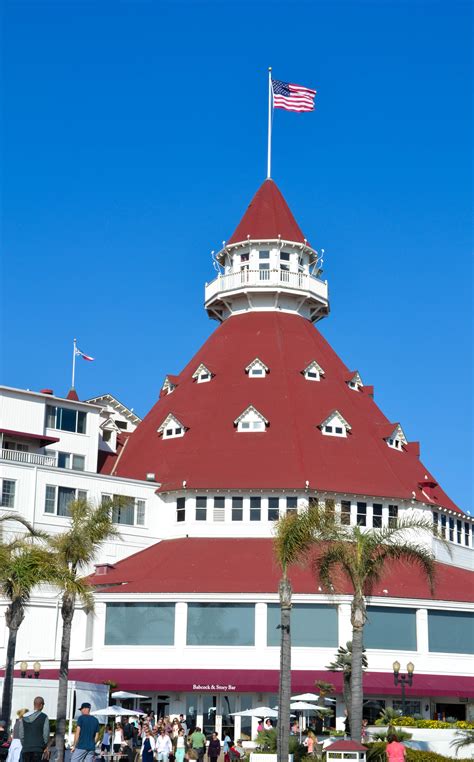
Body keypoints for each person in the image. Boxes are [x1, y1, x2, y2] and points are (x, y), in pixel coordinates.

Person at [20, 697, 50, 762]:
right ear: (41, 705)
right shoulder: (44, 717)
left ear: (34, 704)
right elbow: (46, 734)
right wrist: (44, 745)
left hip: (26, 749)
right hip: (38, 749)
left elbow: (21, 734)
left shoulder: (24, 717)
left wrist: (25, 744)